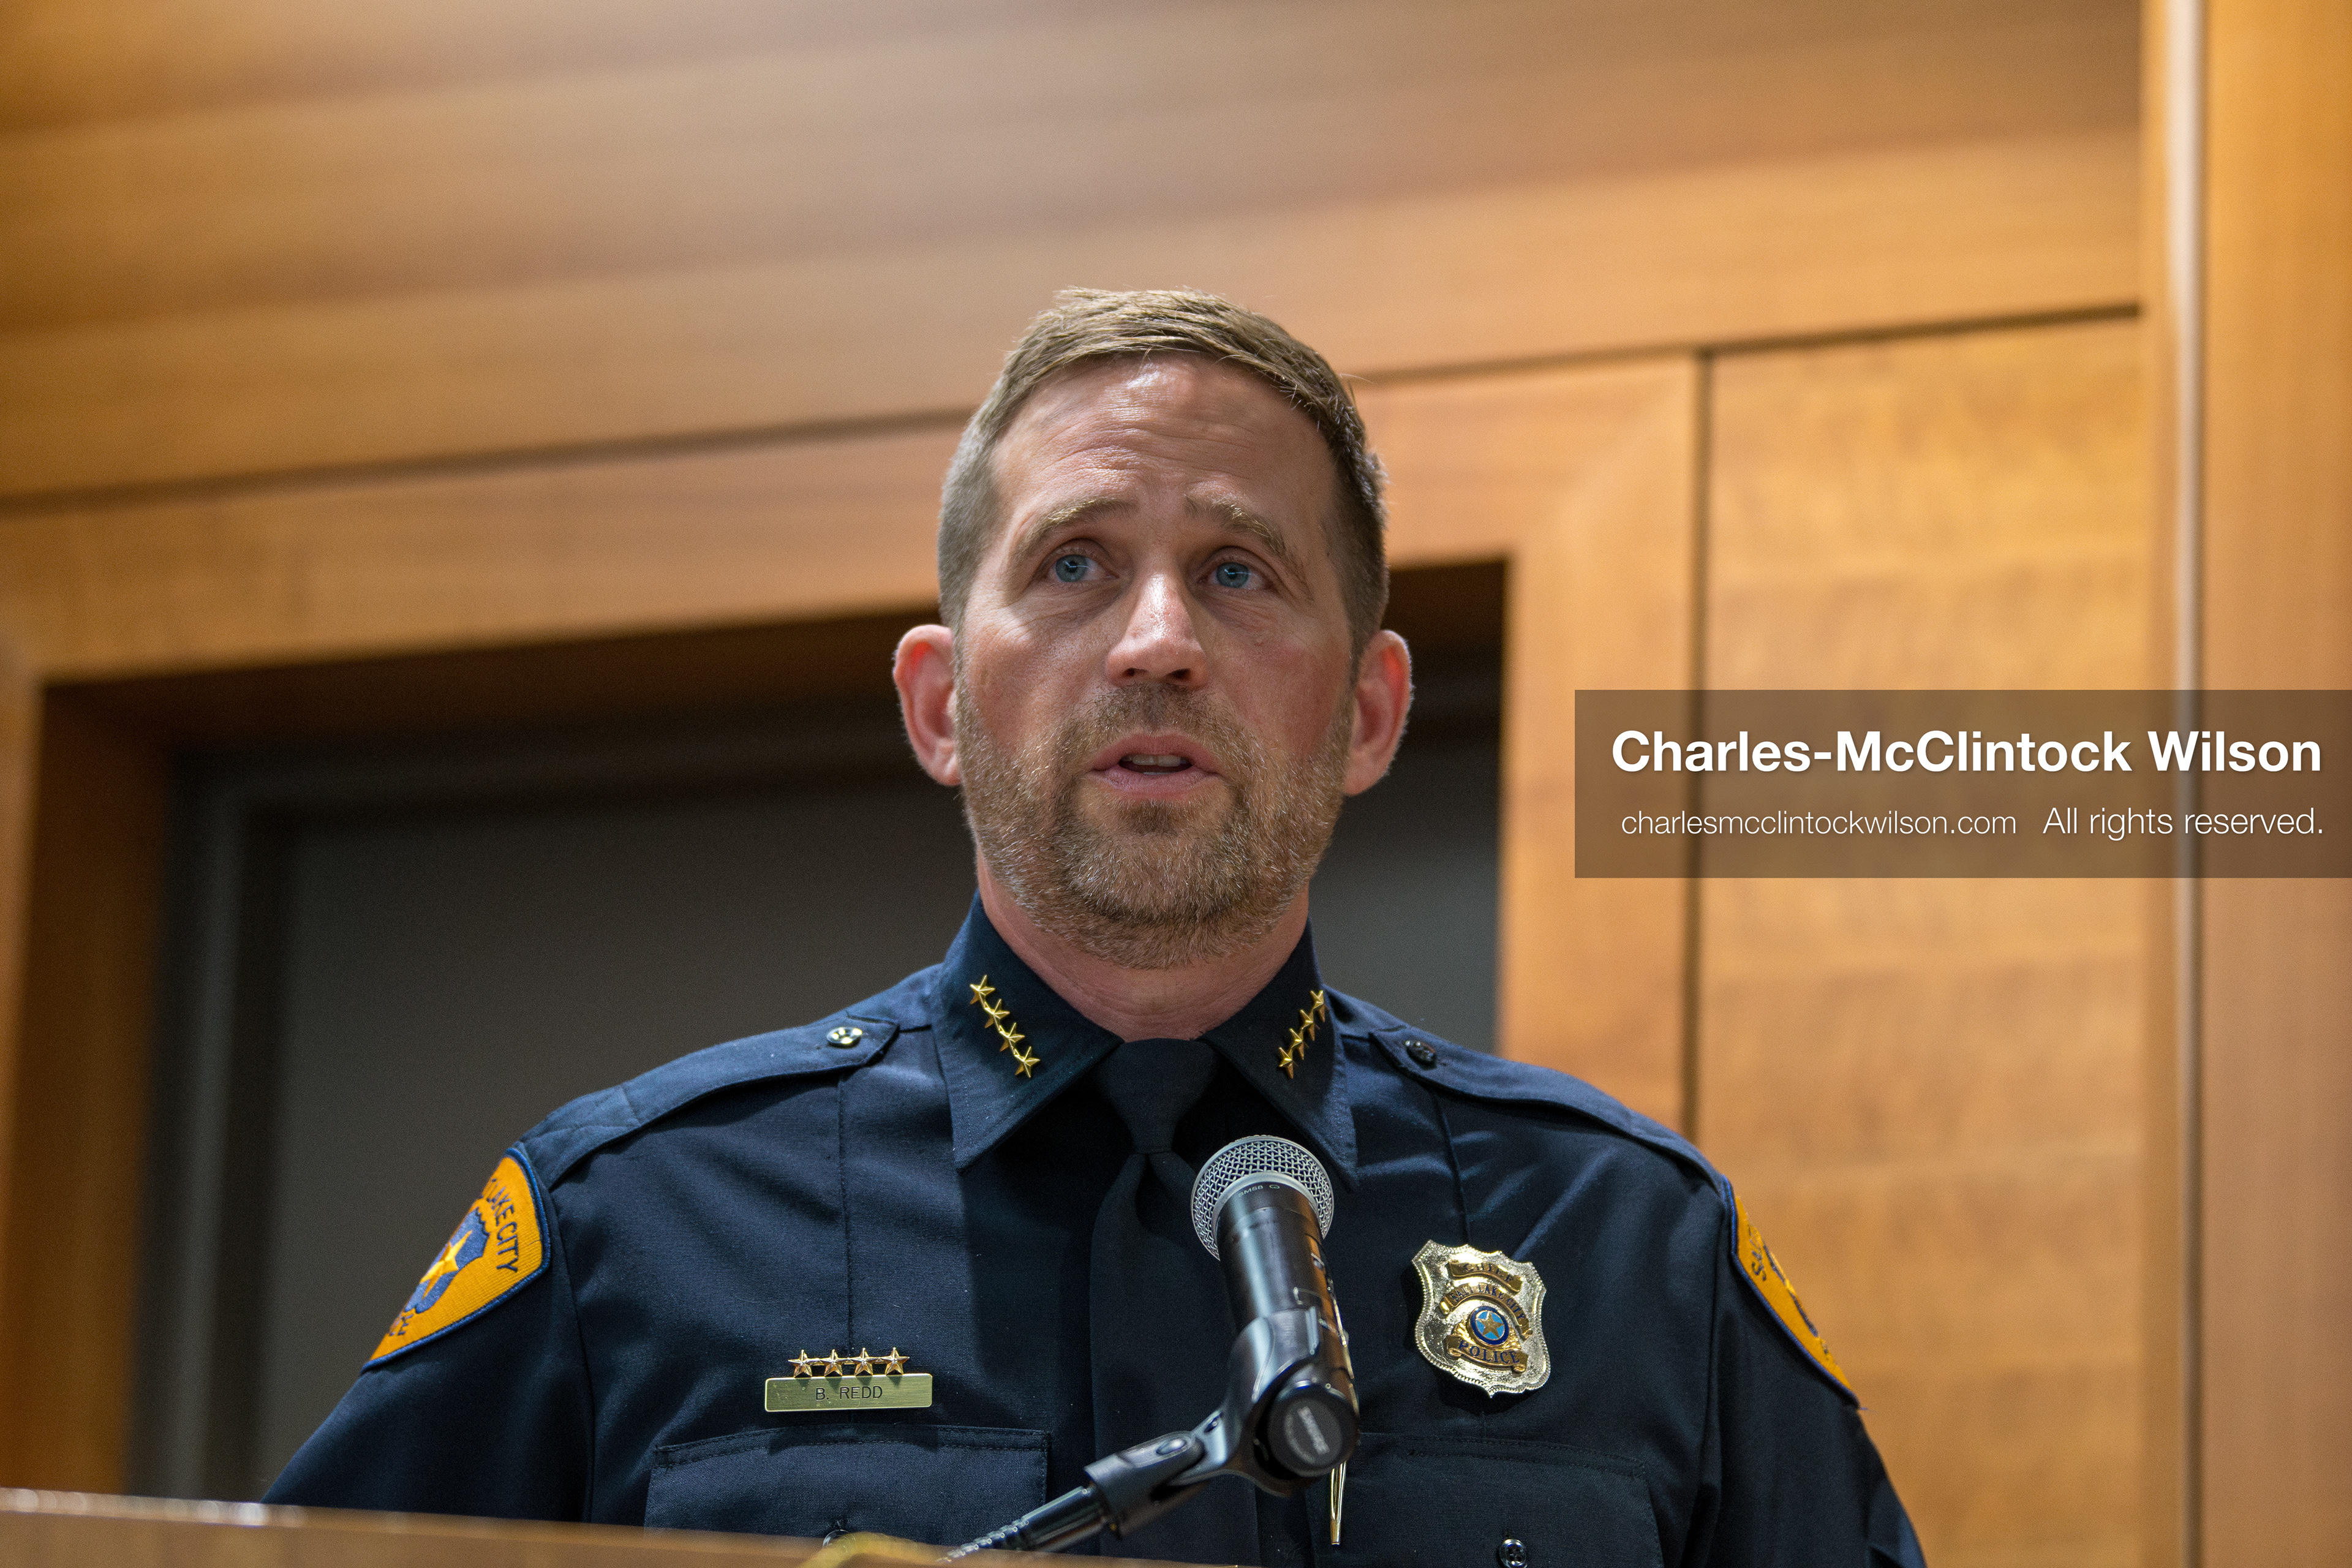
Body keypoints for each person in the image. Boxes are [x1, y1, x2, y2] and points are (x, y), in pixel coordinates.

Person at [266, 288, 1925, 1567]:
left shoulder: (1637, 1250)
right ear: (939, 706)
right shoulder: (634, 1228)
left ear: (1366, 710)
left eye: (1239, 573)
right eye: (1072, 566)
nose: (1155, 642)